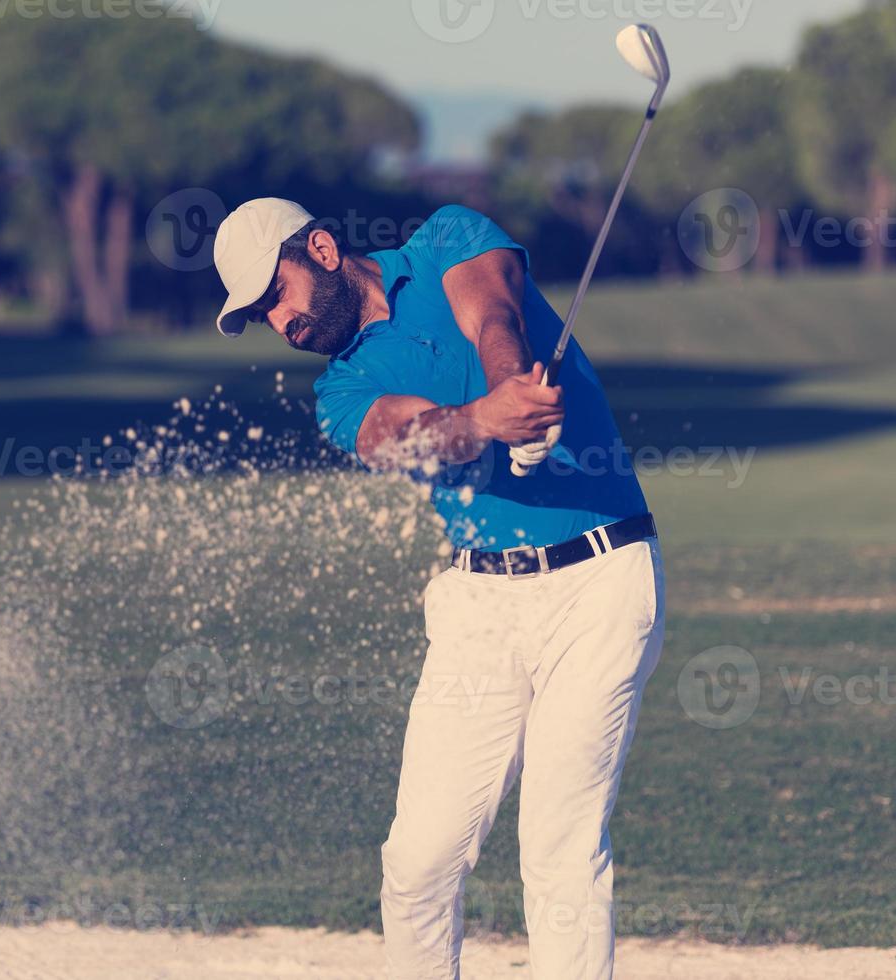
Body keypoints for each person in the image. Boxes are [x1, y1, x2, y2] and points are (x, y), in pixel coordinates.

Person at [211, 198, 666, 980]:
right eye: (259, 316)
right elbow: (405, 433)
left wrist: (511, 387)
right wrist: (491, 420)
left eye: (274, 294)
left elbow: (492, 311)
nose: (276, 322)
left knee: (557, 842)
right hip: (479, 605)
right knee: (418, 860)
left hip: (599, 580)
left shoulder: (444, 239)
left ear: (320, 247)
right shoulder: (338, 392)